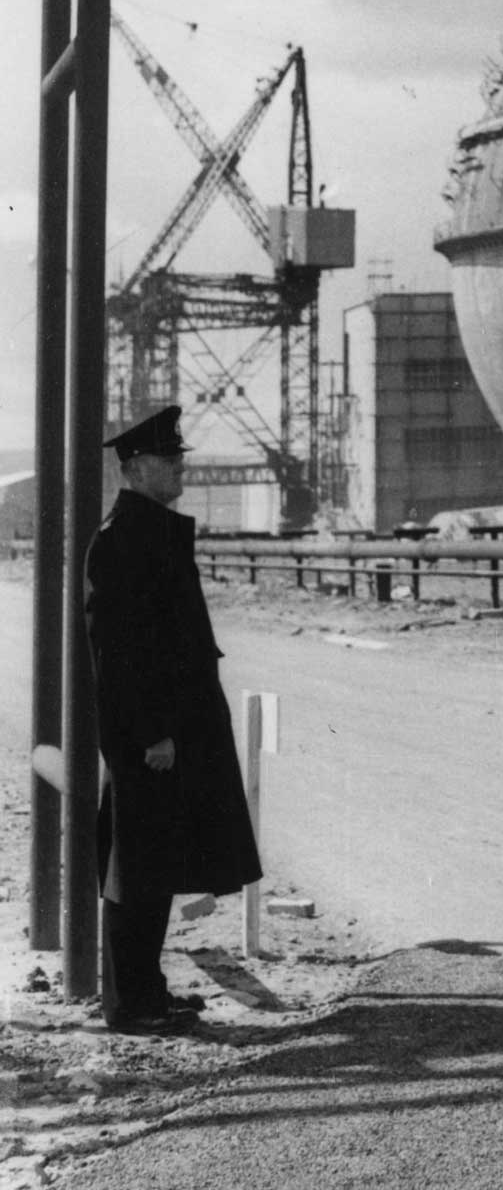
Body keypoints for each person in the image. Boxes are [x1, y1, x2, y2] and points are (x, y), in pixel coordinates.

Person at [85, 405, 262, 1036]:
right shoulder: (120, 541)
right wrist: (152, 731)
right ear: (134, 468)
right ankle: (130, 1006)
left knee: (155, 864)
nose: (178, 468)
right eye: (168, 460)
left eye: (178, 457)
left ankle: (147, 992)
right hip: (151, 737)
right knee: (136, 867)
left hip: (173, 730)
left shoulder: (147, 531)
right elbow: (120, 655)